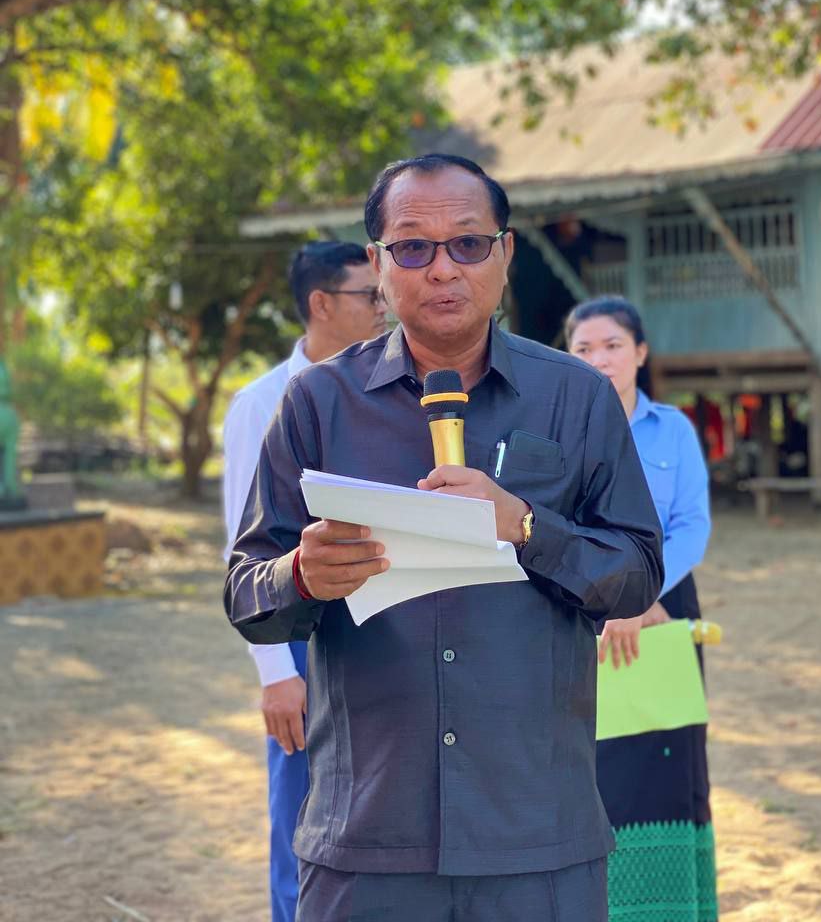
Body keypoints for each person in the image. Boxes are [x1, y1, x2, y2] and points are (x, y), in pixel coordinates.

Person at [225, 153, 664, 922]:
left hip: (537, 834)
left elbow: (636, 575)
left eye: (467, 243)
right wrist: (300, 574)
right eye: (412, 248)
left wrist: (526, 527)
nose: (442, 268)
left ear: (505, 253)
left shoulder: (578, 398)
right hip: (367, 838)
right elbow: (246, 591)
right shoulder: (317, 404)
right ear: (377, 265)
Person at [222, 240, 387, 922]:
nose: (384, 305)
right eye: (368, 294)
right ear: (321, 304)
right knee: (301, 816)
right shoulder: (260, 404)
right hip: (299, 634)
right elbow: (245, 553)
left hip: (378, 630)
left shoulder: (385, 391)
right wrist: (275, 674)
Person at [566, 296, 717, 922]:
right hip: (583, 608)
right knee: (594, 761)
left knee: (666, 757)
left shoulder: (673, 429)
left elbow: (693, 526)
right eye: (583, 349)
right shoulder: (558, 431)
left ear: (641, 353)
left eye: (613, 346)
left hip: (663, 608)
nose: (600, 360)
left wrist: (641, 595)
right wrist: (608, 601)